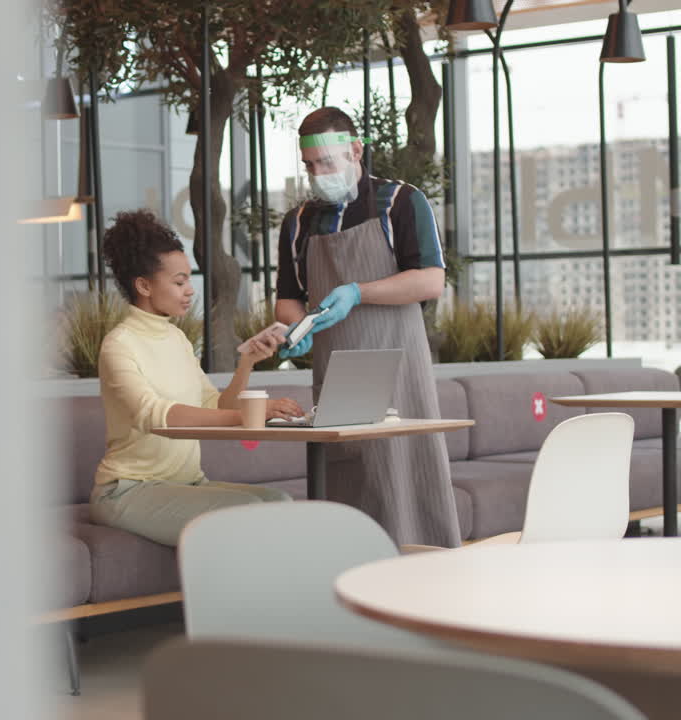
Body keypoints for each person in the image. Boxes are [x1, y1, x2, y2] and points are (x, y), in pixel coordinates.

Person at [274, 106, 461, 548]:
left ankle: (425, 577)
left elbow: (430, 280)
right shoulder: (298, 223)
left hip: (400, 367)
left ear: (356, 151)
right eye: (310, 166)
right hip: (335, 373)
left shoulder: (400, 202)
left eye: (327, 162)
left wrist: (358, 292)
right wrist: (297, 330)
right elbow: (287, 300)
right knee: (348, 485)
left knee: (408, 476)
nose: (318, 174)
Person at [90, 209, 303, 547]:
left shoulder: (177, 339)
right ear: (144, 285)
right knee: (249, 511)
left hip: (186, 483)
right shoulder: (119, 345)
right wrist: (250, 414)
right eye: (179, 282)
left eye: (188, 280)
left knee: (280, 501)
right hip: (127, 490)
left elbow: (214, 404)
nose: (190, 290)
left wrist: (246, 363)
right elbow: (154, 415)